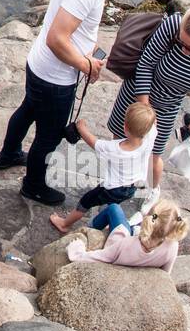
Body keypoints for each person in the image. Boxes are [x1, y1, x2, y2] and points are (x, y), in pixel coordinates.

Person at [0, 0, 152, 206]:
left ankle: (8, 154)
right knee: (49, 136)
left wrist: (88, 51)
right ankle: (33, 186)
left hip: (41, 65)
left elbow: (71, 31)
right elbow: (57, 38)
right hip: (54, 77)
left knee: (27, 110)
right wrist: (86, 64)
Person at [107, 0, 190, 198]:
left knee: (153, 155)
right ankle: (114, 183)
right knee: (121, 141)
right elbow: (145, 65)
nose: (183, 49)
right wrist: (144, 110)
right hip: (137, 96)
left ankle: (152, 191)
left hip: (168, 105)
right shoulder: (172, 25)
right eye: (180, 42)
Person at [51, 100, 156, 234]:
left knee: (86, 201)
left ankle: (65, 224)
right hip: (133, 186)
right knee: (114, 203)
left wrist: (81, 127)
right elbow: (152, 124)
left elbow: (93, 142)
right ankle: (110, 219)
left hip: (113, 188)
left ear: (125, 127)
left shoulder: (116, 149)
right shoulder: (150, 136)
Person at [65, 198, 189, 272]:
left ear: (150, 218)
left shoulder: (125, 244)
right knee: (131, 226)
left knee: (114, 208)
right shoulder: (172, 247)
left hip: (121, 239)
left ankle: (91, 228)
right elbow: (165, 273)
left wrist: (77, 248)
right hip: (136, 240)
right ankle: (131, 226)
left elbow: (95, 257)